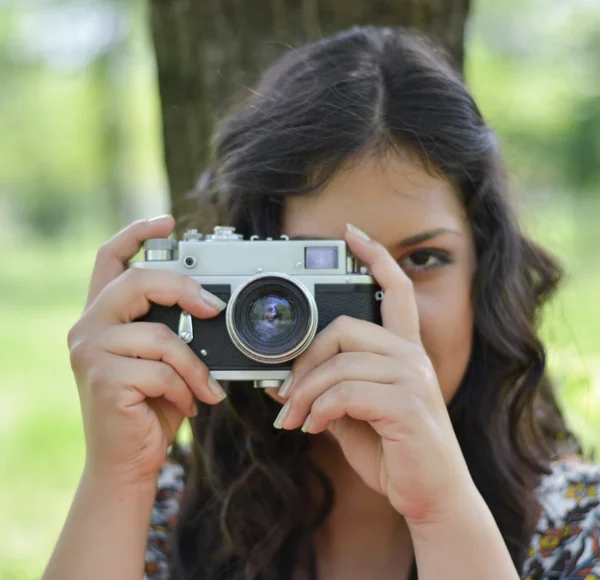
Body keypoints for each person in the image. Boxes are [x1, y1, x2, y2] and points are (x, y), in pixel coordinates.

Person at [41, 26, 600, 580]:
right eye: (327, 267)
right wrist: (118, 477)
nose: (384, 311)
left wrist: (441, 511)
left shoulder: (578, 529)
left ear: (487, 275)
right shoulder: (161, 510)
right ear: (238, 291)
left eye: (423, 260)